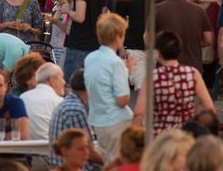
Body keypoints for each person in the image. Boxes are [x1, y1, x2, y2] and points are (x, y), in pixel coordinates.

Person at [135, 30, 215, 134]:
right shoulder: (193, 73)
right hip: (186, 136)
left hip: (160, 137)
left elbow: (139, 113)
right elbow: (209, 107)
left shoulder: (152, 78)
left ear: (158, 52)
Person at [86, 12, 134, 154]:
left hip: (97, 120)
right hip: (116, 121)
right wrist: (125, 72)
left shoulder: (90, 58)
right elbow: (122, 99)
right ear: (118, 37)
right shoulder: (116, 63)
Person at [155, 0, 212, 73]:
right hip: (193, 68)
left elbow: (147, 39)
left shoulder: (157, 9)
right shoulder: (199, 10)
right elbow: (209, 39)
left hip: (166, 68)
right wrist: (194, 42)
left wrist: (163, 43)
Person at [22, 62, 66, 141]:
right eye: (61, 78)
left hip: (25, 148)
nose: (64, 82)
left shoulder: (22, 97)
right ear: (52, 81)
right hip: (50, 148)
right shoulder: (59, 102)